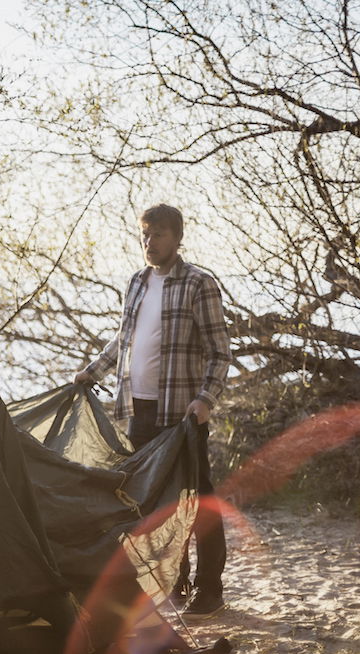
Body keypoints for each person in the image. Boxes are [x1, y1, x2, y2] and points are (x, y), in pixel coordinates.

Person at [74, 204, 232, 617]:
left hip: (182, 416)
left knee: (198, 501)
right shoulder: (137, 282)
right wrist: (91, 373)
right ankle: (175, 582)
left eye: (158, 234)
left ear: (177, 238)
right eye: (145, 234)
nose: (150, 241)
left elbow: (220, 353)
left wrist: (204, 400)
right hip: (137, 410)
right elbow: (123, 341)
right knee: (155, 505)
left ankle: (209, 589)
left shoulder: (200, 284)